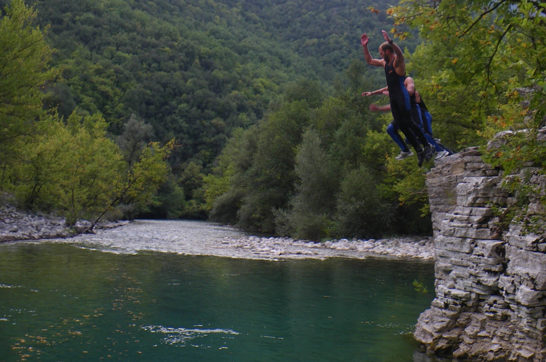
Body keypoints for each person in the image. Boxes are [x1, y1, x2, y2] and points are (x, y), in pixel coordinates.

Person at [361, 31, 433, 166]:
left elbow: (400, 54)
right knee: (400, 125)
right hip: (393, 98)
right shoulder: (384, 63)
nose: (380, 55)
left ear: (388, 51)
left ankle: (427, 145)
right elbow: (369, 60)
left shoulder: (396, 63)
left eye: (381, 52)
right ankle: (418, 150)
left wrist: (391, 42)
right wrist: (365, 46)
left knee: (409, 123)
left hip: (401, 96)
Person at [363, 77, 452, 159]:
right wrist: (372, 94)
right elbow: (385, 92)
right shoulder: (394, 87)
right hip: (403, 115)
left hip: (419, 113)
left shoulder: (408, 82)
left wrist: (392, 95)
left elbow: (410, 94)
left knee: (422, 132)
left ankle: (440, 150)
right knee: (394, 131)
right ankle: (406, 150)